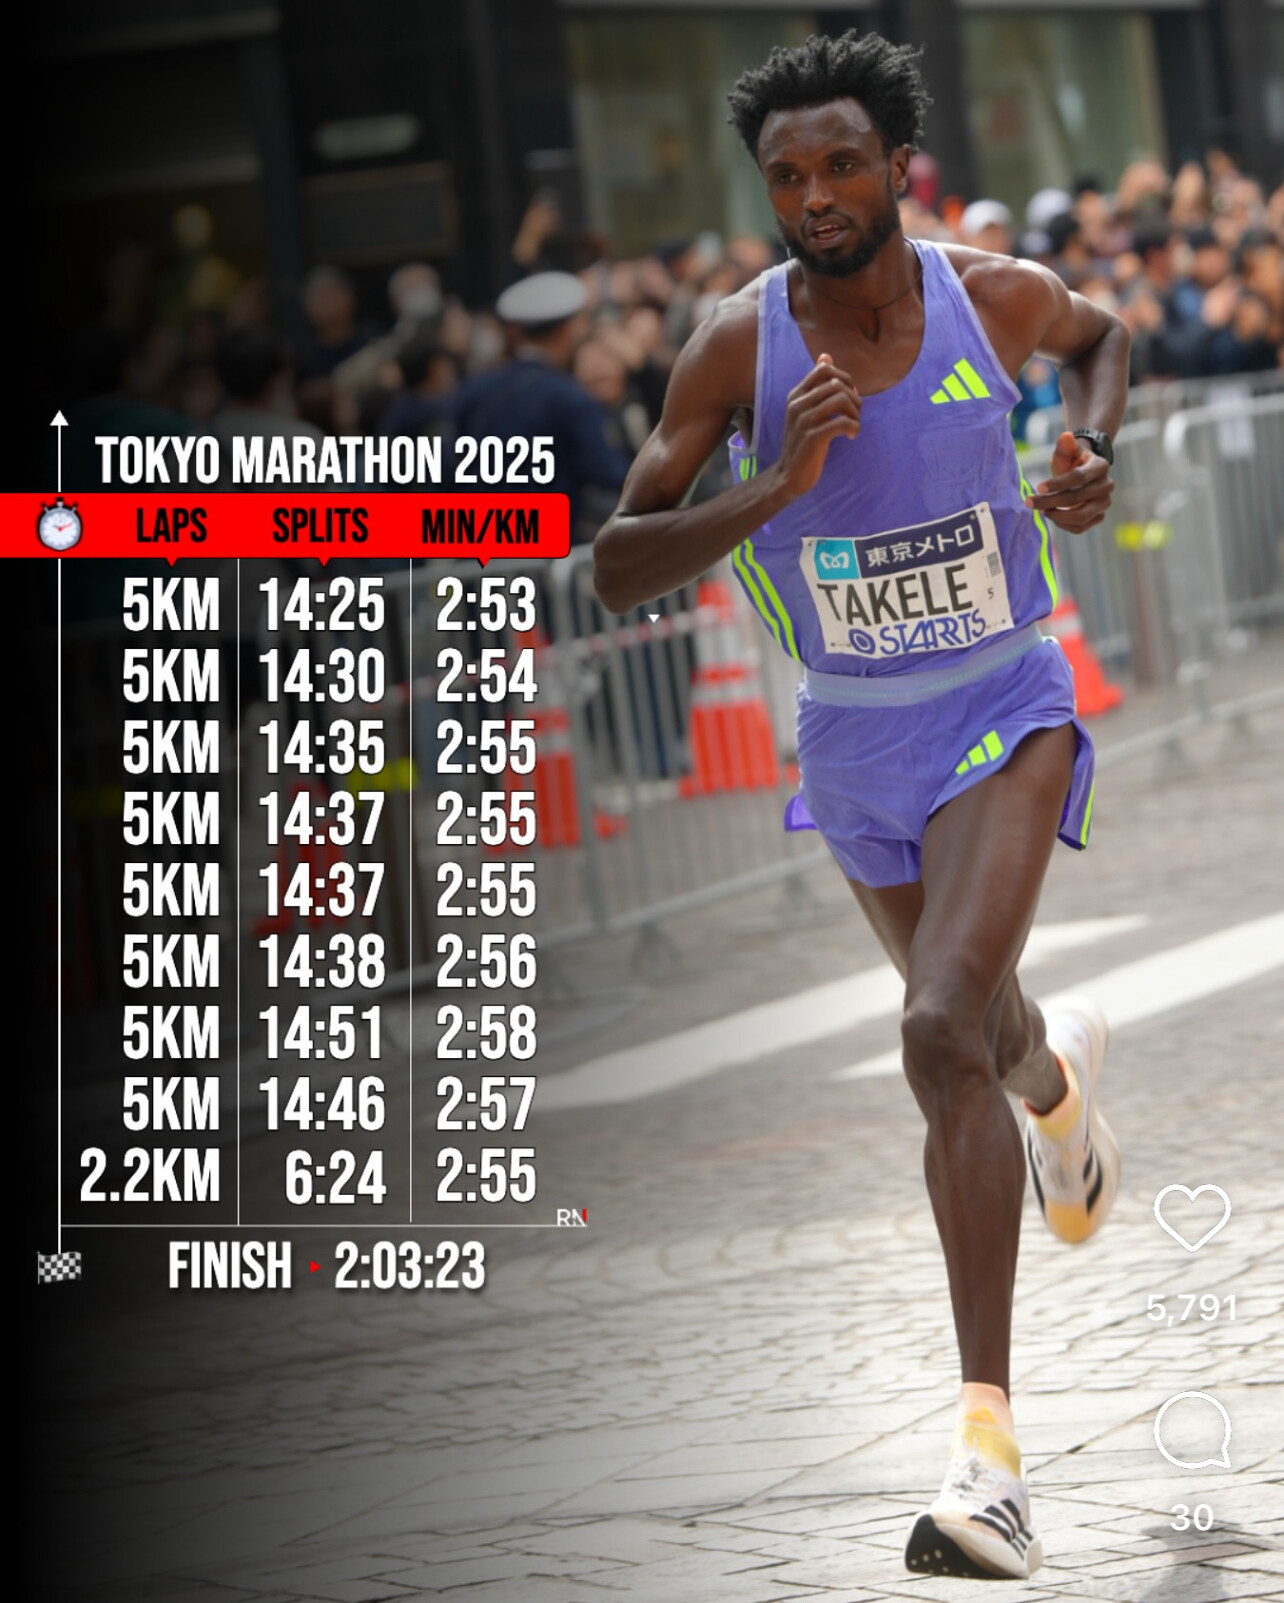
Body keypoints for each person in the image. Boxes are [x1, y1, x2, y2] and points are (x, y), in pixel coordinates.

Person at [593, 31, 1130, 1582]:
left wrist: (1092, 447)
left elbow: (1102, 340)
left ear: (897, 166)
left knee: (933, 1022)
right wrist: (774, 484)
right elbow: (614, 565)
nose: (814, 195)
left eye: (840, 164)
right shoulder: (736, 347)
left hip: (1004, 705)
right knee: (984, 1032)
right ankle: (1060, 1092)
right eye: (785, 176)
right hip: (852, 742)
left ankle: (989, 1465)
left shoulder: (991, 296)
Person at [452, 271, 629, 538]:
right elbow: (610, 474)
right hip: (547, 550)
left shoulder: (473, 391)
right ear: (565, 329)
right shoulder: (570, 398)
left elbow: (449, 470)